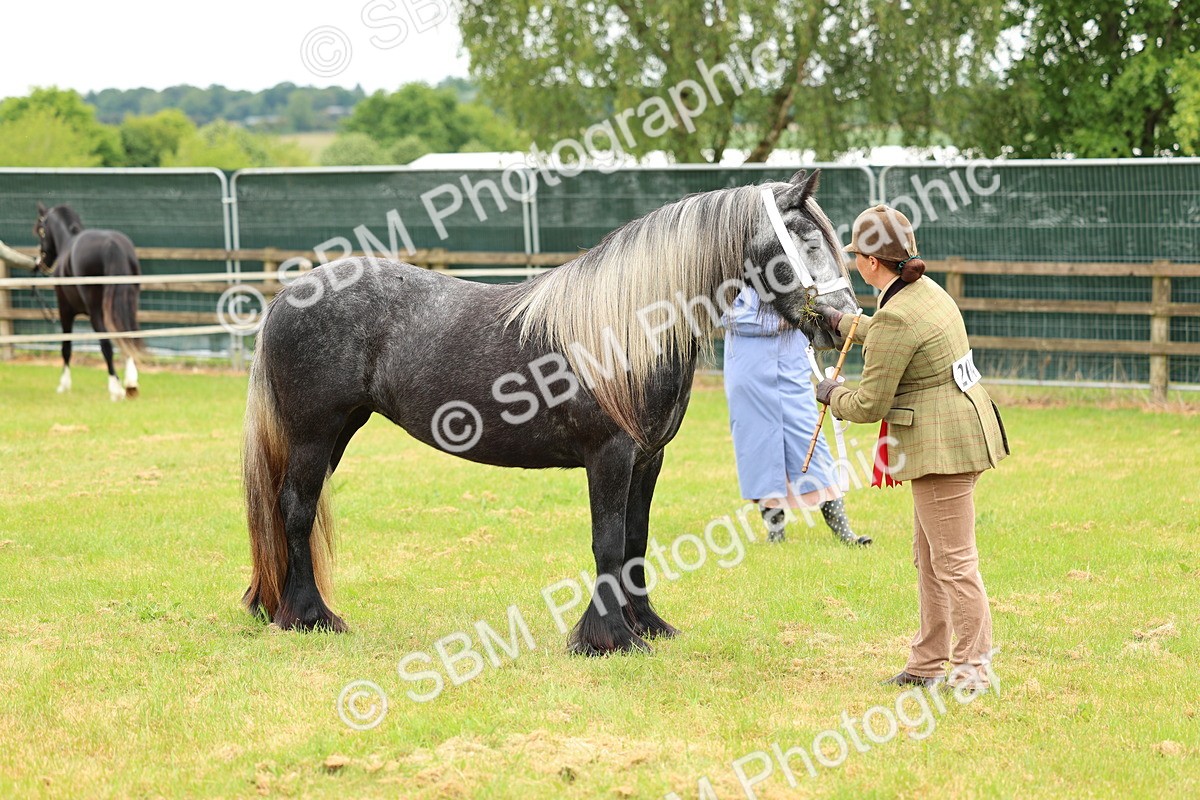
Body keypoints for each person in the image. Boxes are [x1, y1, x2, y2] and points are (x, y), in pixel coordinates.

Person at [815, 204, 1009, 690]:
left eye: (856, 254)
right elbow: (890, 333)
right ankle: (926, 664)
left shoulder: (897, 313)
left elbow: (868, 404)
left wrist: (829, 393)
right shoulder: (924, 291)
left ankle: (973, 671)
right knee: (931, 559)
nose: (854, 261)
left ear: (870, 264)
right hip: (962, 431)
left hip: (942, 446)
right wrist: (839, 322)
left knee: (955, 563)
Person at [722, 284, 870, 547]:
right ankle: (775, 532)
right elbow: (725, 314)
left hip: (790, 369)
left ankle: (844, 531)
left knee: (811, 444)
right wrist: (778, 321)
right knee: (760, 450)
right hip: (749, 373)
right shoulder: (735, 273)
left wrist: (797, 318)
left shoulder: (791, 271)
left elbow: (812, 306)